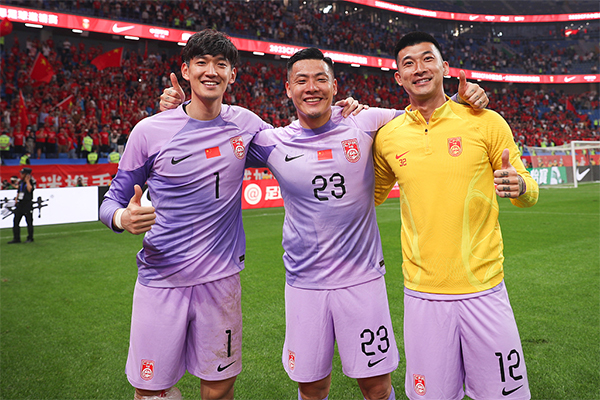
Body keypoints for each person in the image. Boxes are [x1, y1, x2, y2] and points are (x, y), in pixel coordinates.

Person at [162, 47, 488, 400]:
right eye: (301, 80)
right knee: (312, 387)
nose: (311, 87)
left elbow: (427, 118)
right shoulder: (272, 141)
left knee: (377, 387)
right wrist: (180, 112)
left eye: (320, 79)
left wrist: (462, 99)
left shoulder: (366, 121)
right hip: (305, 286)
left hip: (363, 282)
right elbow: (212, 134)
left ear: (334, 86)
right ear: (288, 89)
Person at [100, 30, 360, 400]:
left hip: (221, 282)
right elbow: (111, 200)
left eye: (220, 64)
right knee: (150, 390)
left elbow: (296, 143)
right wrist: (121, 218)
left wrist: (343, 115)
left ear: (232, 75)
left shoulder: (247, 125)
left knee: (219, 389)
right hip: (160, 280)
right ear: (186, 70)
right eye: (201, 63)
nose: (211, 71)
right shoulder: (149, 131)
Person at [372, 32, 538, 400]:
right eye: (408, 63)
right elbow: (368, 197)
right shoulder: (388, 137)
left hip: (485, 291)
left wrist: (520, 187)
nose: (419, 69)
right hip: (423, 296)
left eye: (427, 59)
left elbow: (529, 190)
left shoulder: (486, 121)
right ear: (398, 77)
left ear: (445, 67)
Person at [8, 167, 36, 244]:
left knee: (29, 222)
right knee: (16, 221)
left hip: (27, 204)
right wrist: (16, 199)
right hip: (20, 204)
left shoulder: (31, 181)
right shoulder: (21, 182)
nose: (21, 174)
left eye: (22, 173)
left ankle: (30, 237)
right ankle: (16, 238)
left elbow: (30, 190)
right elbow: (19, 191)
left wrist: (27, 181)